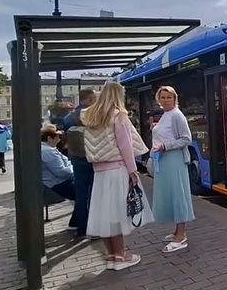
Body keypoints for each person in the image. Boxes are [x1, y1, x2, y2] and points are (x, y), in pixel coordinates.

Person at [82, 82, 152, 271]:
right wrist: (133, 170)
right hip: (117, 170)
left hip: (99, 172)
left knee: (104, 215)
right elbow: (125, 145)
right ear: (118, 95)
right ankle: (121, 257)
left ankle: (111, 256)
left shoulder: (90, 116)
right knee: (117, 215)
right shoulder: (119, 115)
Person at [151, 86, 196, 254]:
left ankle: (181, 236)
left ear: (175, 98)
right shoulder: (166, 115)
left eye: (169, 97)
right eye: (162, 97)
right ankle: (178, 231)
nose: (165, 100)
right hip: (165, 160)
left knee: (178, 194)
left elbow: (187, 139)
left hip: (174, 159)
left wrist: (166, 146)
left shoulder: (177, 115)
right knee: (171, 194)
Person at [63, 89, 98, 239]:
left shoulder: (69, 117)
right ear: (90, 99)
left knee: (81, 194)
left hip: (76, 159)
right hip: (93, 158)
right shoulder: (94, 114)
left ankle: (80, 228)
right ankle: (94, 228)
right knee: (94, 194)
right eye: (95, 98)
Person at [41, 127, 77, 230]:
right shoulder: (48, 152)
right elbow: (62, 172)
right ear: (49, 138)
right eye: (57, 138)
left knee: (84, 190)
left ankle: (76, 222)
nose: (59, 140)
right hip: (57, 183)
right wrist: (74, 169)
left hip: (54, 182)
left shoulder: (47, 149)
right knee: (84, 192)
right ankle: (76, 222)